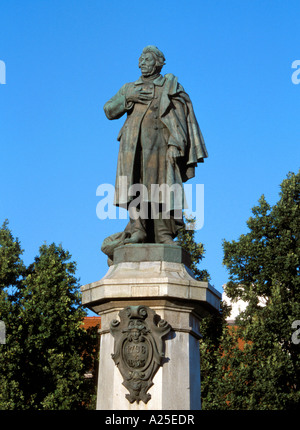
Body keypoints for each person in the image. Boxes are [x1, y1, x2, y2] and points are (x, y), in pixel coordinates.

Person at [102, 45, 207, 256]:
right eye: (140, 59)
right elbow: (108, 110)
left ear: (158, 63)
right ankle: (138, 229)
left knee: (163, 186)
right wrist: (128, 99)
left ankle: (163, 232)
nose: (142, 63)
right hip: (132, 146)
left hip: (161, 144)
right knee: (134, 185)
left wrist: (177, 143)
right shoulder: (129, 87)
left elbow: (180, 118)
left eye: (147, 59)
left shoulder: (169, 85)